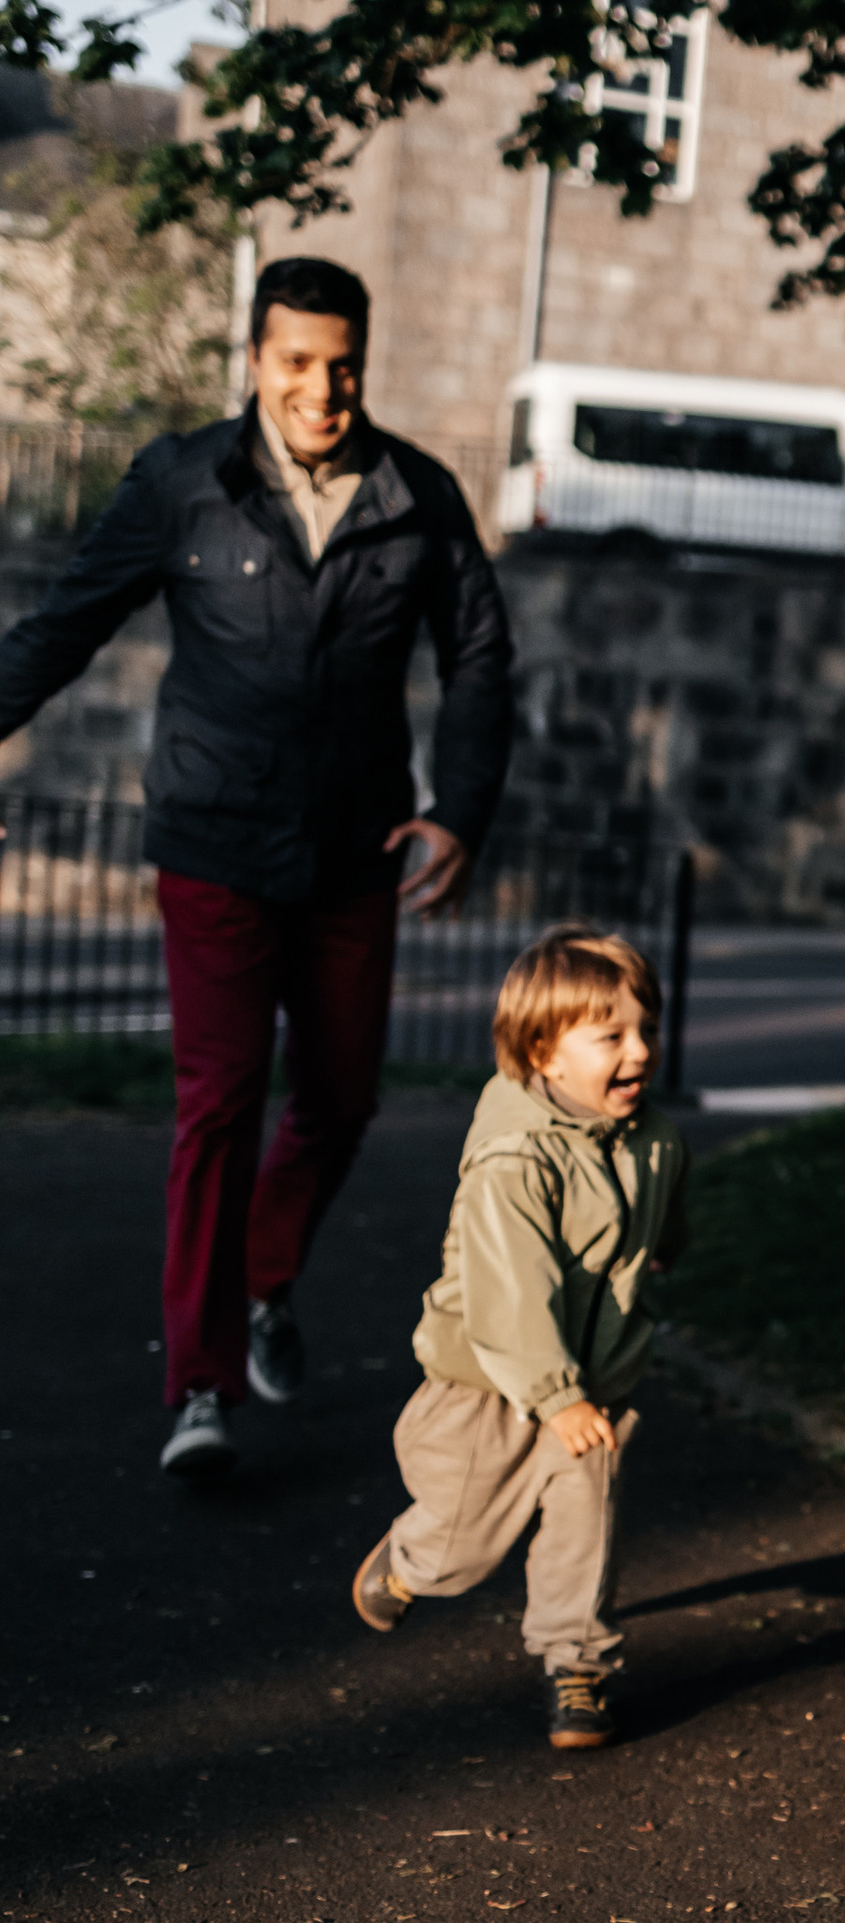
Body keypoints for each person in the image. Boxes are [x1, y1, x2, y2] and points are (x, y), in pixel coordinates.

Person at [0, 253, 512, 1477]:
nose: (321, 390)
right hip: (214, 842)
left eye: (342, 366)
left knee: (339, 1101)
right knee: (219, 1104)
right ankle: (200, 1381)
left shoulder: (419, 494)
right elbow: (67, 623)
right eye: (296, 362)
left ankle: (259, 1281)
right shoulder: (182, 482)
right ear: (255, 359)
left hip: (354, 851)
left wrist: (459, 812)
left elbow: (480, 658)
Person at [351, 925, 686, 1754]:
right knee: (461, 1547)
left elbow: (661, 1210)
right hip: (493, 1384)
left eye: (646, 1028)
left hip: (594, 1382)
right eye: (610, 1036)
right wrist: (554, 1396)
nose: (639, 1051)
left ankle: (578, 1662)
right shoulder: (515, 1158)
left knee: (585, 1529)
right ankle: (407, 1561)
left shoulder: (653, 1137)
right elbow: (509, 1295)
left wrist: (666, 1247)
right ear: (543, 1053)